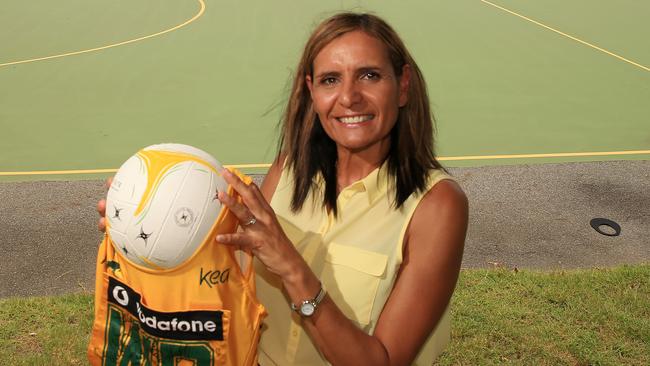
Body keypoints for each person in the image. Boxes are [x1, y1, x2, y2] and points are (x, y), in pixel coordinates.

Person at [99, 12, 467, 365]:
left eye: (369, 76)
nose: (349, 97)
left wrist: (291, 267)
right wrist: (150, 229)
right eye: (330, 80)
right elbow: (232, 273)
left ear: (402, 86)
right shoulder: (289, 168)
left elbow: (383, 360)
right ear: (311, 91)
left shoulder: (437, 205)